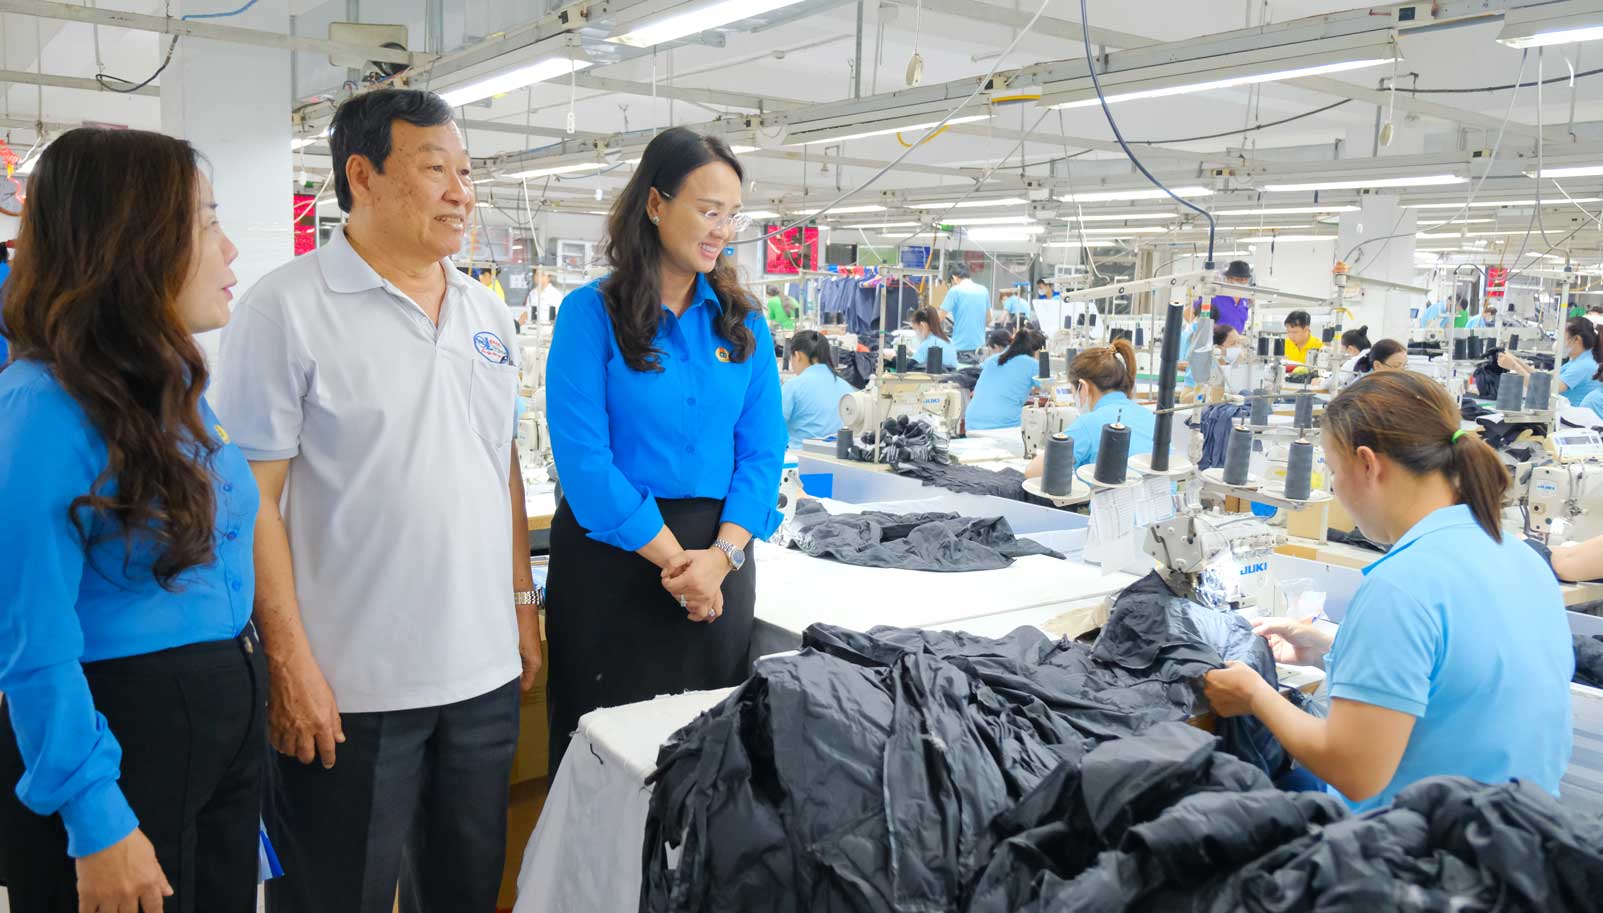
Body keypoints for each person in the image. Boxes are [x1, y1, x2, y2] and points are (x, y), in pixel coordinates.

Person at [213, 89, 540, 913]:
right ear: (362, 175)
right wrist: (287, 664)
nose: (462, 192)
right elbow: (252, 500)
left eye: (466, 172)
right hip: (352, 691)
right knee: (335, 896)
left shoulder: (484, 309)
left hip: (482, 678)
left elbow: (496, 461)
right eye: (436, 170)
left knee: (465, 890)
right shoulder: (284, 309)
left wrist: (520, 606)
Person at [0, 128, 263, 912]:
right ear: (133, 241)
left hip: (217, 721)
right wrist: (96, 816)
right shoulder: (39, 410)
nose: (231, 250)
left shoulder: (168, 389)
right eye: (206, 221)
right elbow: (31, 645)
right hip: (122, 737)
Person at [1204, 370, 1573, 811]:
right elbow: (1460, 669)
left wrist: (1254, 695)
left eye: (1333, 470)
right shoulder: (1519, 556)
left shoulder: (1401, 585)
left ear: (1367, 465)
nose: (1336, 487)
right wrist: (1335, 646)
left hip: (1424, 858)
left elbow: (1355, 772)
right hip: (1526, 841)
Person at [542, 127, 784, 776]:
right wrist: (683, 568)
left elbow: (763, 454)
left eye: (731, 215)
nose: (721, 230)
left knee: (703, 767)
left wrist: (721, 560)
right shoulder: (589, 314)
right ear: (654, 203)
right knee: (600, 766)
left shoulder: (743, 322)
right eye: (708, 211)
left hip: (719, 564)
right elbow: (585, 464)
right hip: (614, 567)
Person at [1060, 339, 1156, 469]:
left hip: (1115, 490)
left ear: (1083, 387)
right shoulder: (1151, 418)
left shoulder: (1088, 423)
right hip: (1159, 489)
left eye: (1073, 393)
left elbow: (1036, 470)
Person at [1499, 316, 1603, 407]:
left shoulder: (1583, 365)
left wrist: (1514, 366)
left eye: (1562, 338)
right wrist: (1517, 361)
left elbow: (1544, 391)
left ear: (1576, 340)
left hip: (1574, 423)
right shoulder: (1578, 360)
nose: (1558, 342)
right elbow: (1544, 377)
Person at [781, 329, 853, 448]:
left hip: (800, 460)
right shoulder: (845, 386)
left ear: (797, 356)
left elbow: (773, 427)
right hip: (837, 459)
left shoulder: (794, 386)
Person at [965, 328, 1046, 431]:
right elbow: (1049, 388)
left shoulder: (993, 359)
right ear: (1038, 351)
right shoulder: (1032, 364)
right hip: (1003, 425)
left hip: (972, 422)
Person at [943, 263, 989, 362]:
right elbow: (989, 319)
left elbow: (938, 318)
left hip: (960, 348)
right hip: (980, 349)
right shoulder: (983, 290)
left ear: (954, 278)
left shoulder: (954, 291)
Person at [1202, 259, 1252, 333]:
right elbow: (1189, 314)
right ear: (1229, 279)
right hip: (1217, 342)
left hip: (1236, 342)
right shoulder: (1215, 297)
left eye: (1245, 280)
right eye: (1239, 279)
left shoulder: (1244, 300)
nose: (1243, 282)